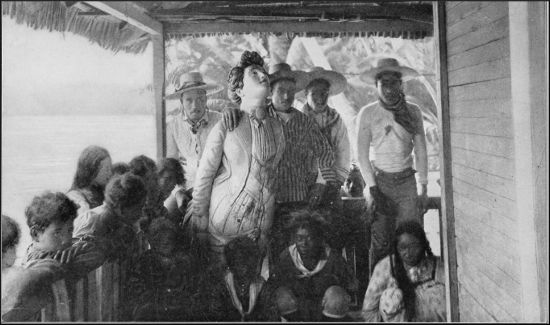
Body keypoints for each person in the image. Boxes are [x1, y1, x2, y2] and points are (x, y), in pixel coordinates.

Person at [222, 62, 337, 261]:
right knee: (269, 252)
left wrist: (320, 183)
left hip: (298, 199)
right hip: (264, 202)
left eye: (291, 91)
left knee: (297, 252)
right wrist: (229, 111)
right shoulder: (256, 117)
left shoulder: (304, 122)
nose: (286, 96)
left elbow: (326, 153)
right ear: (269, 92)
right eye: (281, 90)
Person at [189, 50, 285, 267]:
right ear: (240, 89)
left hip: (256, 227)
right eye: (254, 73)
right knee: (220, 283)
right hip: (221, 224)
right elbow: (205, 175)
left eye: (263, 72)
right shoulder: (226, 124)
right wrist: (200, 220)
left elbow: (270, 181)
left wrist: (265, 229)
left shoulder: (277, 128)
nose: (263, 76)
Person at [356, 57, 429, 272]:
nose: (389, 88)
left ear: (401, 84)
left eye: (393, 83)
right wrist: (373, 189)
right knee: (380, 240)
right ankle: (376, 294)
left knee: (410, 237)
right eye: (383, 83)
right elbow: (361, 155)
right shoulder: (368, 113)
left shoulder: (413, 111)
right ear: (376, 85)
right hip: (380, 182)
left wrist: (423, 186)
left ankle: (411, 290)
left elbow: (421, 150)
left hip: (406, 182)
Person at [270, 210, 358, 321]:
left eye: (309, 238)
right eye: (299, 238)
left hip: (324, 309)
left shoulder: (333, 258)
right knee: (281, 295)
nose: (304, 244)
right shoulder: (286, 257)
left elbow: (351, 285)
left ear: (319, 239)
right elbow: (273, 285)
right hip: (298, 309)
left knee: (337, 296)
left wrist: (334, 293)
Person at [362, 220, 445, 322]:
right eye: (403, 247)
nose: (408, 253)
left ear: (423, 244)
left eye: (414, 246)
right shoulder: (385, 267)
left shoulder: (439, 268)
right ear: (396, 248)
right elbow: (369, 311)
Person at [300, 67, 351, 210]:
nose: (320, 98)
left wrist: (338, 181)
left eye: (324, 93)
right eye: (314, 93)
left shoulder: (336, 119)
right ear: (306, 94)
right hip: (304, 182)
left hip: (331, 180)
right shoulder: (298, 119)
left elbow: (344, 151)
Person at [127, 218, 196, 321]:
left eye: (169, 239)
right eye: (160, 239)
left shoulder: (184, 260)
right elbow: (136, 290)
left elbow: (192, 287)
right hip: (154, 310)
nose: (165, 242)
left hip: (180, 311)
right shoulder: (145, 261)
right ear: (153, 242)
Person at [165, 72, 223, 190]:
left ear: (206, 99)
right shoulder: (173, 126)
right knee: (168, 208)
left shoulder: (220, 120)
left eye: (200, 99)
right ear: (181, 102)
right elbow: (172, 165)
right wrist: (178, 193)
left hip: (217, 185)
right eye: (189, 100)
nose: (195, 105)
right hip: (187, 186)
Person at [199, 236, 276, 321]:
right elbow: (214, 316)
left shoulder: (262, 286)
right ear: (231, 264)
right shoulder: (222, 285)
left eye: (247, 261)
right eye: (238, 261)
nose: (243, 267)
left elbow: (271, 317)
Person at [73, 173, 148, 261]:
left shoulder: (126, 223)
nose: (142, 214)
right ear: (120, 208)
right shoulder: (93, 220)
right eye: (138, 208)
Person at [66, 146, 112, 216]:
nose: (110, 173)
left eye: (110, 168)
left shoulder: (104, 193)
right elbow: (86, 221)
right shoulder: (75, 197)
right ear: (93, 170)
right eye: (106, 169)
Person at [157, 158, 191, 226]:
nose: (171, 185)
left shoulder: (161, 198)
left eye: (174, 182)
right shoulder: (151, 196)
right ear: (158, 176)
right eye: (168, 179)